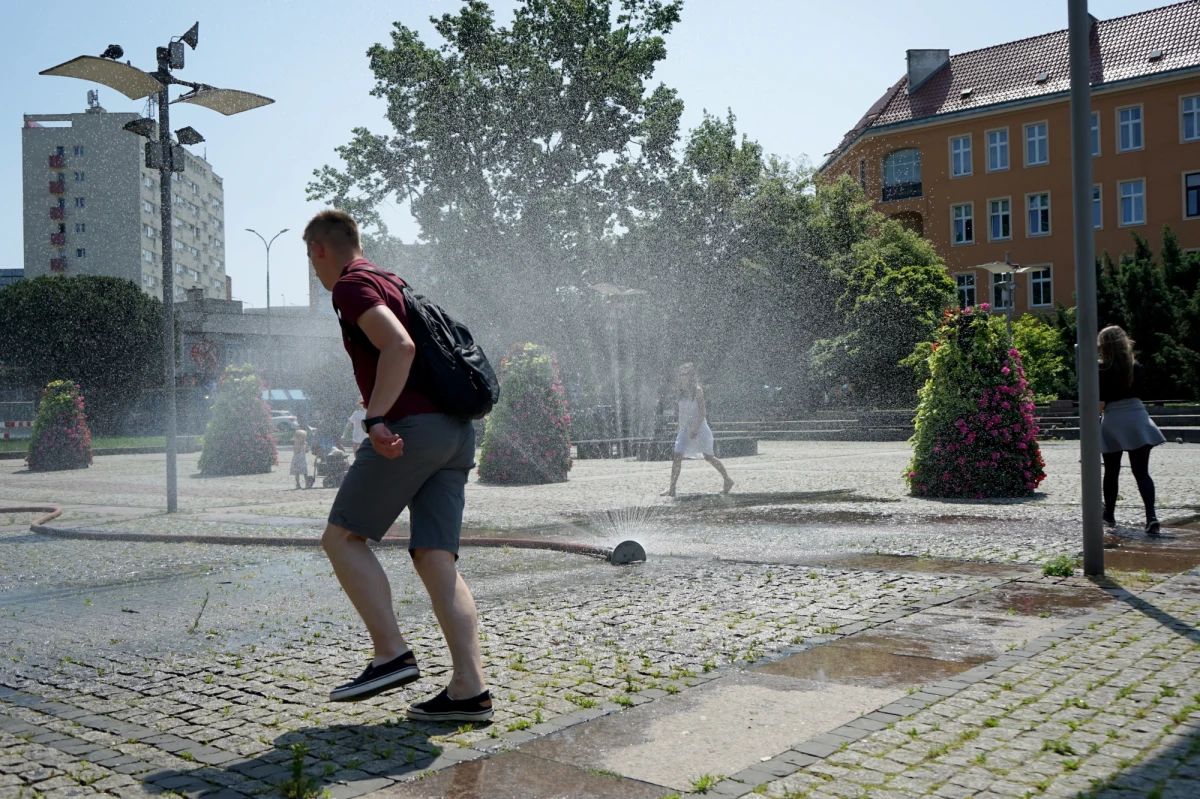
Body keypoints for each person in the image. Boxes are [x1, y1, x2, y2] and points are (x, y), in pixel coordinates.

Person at [305, 210, 490, 721]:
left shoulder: (352, 284)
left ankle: (390, 653)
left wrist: (376, 417)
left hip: (411, 430)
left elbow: (399, 345)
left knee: (341, 539)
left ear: (320, 249)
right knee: (436, 557)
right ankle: (468, 691)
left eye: (309, 257)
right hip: (455, 432)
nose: (315, 271)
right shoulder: (395, 281)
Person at [1098, 325, 1165, 536]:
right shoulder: (1135, 366)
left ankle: (1109, 514)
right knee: (1142, 472)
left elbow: (1100, 402)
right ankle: (1151, 516)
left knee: (1111, 471)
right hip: (1137, 416)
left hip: (1114, 418)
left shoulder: (1101, 368)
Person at [662, 363, 734, 498]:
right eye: (681, 374)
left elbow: (702, 413)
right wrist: (679, 424)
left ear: (691, 376)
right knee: (677, 456)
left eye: (686, 374)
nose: (683, 377)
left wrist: (695, 429)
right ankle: (672, 488)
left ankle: (727, 480)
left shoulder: (698, 391)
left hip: (699, 428)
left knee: (709, 457)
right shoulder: (680, 391)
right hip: (684, 429)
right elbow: (681, 410)